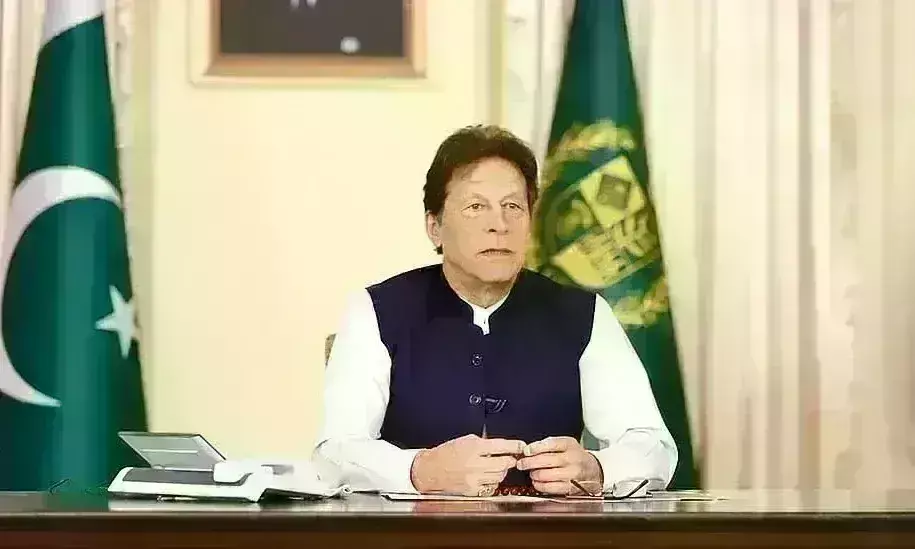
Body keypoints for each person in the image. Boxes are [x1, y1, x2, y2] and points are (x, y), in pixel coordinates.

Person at [312, 125, 677, 497]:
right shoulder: (375, 311)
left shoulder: (583, 314)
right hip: (413, 527)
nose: (499, 225)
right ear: (435, 227)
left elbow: (653, 445)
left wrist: (598, 468)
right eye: (476, 207)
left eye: (513, 207)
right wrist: (418, 470)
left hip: (548, 528)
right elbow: (335, 452)